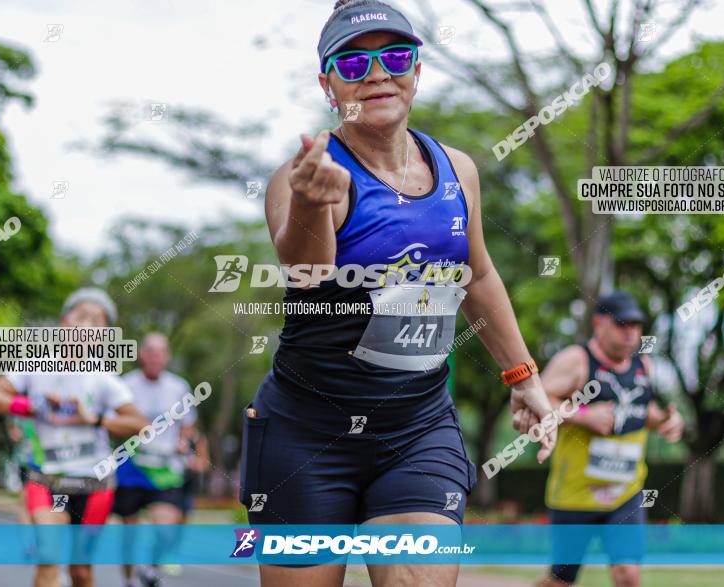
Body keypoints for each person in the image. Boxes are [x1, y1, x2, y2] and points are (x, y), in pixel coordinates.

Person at [242, 1, 556, 585]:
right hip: (308, 434)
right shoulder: (303, 176)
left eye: (395, 56)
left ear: (416, 69)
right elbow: (306, 275)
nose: (378, 73)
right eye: (354, 62)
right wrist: (312, 202)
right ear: (327, 83)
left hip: (417, 428)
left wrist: (524, 377)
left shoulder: (457, 169)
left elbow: (477, 277)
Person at [0, 287, 148, 587]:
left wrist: (94, 419)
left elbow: (140, 424)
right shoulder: (36, 367)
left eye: (98, 323)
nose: (87, 326)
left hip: (94, 487)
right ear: (63, 323)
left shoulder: (105, 379)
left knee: (80, 571)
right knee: (48, 556)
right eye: (81, 316)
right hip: (48, 483)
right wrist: (33, 406)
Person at [530, 291, 685, 587]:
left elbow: (643, 411)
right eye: (622, 324)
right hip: (575, 496)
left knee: (628, 574)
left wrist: (667, 421)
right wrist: (583, 415)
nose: (631, 333)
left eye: (636, 326)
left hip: (625, 494)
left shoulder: (644, 367)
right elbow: (538, 400)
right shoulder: (576, 361)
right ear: (599, 323)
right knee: (561, 579)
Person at [113, 333, 201, 587]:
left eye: (160, 352)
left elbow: (189, 425)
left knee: (166, 528)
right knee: (129, 535)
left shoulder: (179, 387)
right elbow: (113, 423)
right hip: (133, 468)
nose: (155, 357)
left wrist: (185, 441)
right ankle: (129, 580)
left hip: (166, 469)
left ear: (167, 356)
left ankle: (151, 568)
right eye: (150, 351)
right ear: (142, 355)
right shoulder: (125, 385)